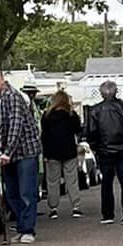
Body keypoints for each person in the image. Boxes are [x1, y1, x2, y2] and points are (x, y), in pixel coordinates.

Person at [0, 69, 41, 244]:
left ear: (2, 79)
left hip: (24, 151)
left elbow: (16, 125)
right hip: (5, 153)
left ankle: (28, 229)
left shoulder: (13, 96)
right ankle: (22, 227)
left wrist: (8, 152)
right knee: (11, 194)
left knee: (26, 192)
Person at [86, 79, 123, 226]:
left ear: (101, 93)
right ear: (116, 92)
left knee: (106, 183)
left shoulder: (95, 111)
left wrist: (95, 147)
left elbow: (91, 132)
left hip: (105, 150)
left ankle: (108, 214)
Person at [39, 88, 83, 219]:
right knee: (72, 180)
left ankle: (53, 208)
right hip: (69, 150)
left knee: (52, 181)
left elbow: (44, 135)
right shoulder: (71, 115)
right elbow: (78, 130)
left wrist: (45, 153)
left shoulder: (46, 116)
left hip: (52, 152)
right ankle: (76, 206)